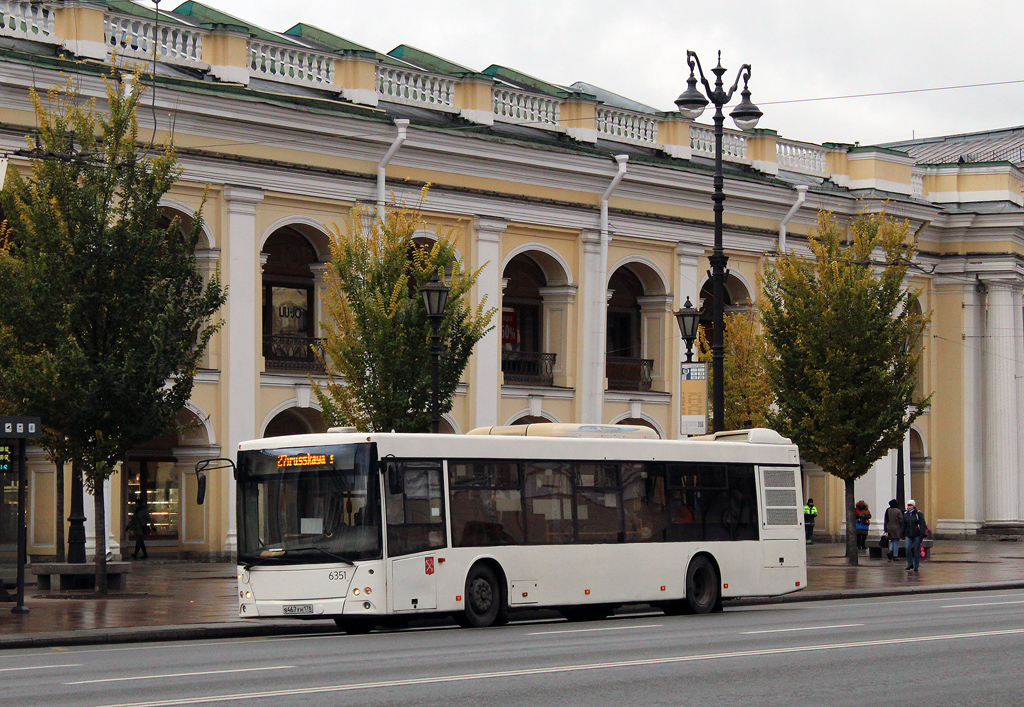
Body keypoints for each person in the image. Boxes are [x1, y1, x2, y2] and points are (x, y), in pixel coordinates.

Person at [900, 499, 928, 572]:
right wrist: (901, 535)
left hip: (917, 534)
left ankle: (916, 565)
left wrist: (922, 535)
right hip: (908, 534)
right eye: (908, 505)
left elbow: (922, 524)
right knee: (908, 548)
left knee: (916, 550)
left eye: (911, 505)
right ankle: (910, 564)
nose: (909, 507)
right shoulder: (906, 514)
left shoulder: (918, 514)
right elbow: (904, 525)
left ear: (914, 506)